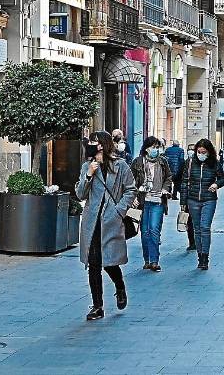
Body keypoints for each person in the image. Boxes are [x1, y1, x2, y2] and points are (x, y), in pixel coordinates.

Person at [76, 131, 137, 321]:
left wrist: (119, 210)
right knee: (93, 263)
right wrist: (88, 174)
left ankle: (119, 286)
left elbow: (131, 189)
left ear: (101, 145)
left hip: (111, 220)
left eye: (93, 142)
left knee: (109, 262)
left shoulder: (120, 166)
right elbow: (80, 194)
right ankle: (97, 306)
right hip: (92, 222)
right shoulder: (88, 165)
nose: (90, 144)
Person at [180, 139, 224, 271]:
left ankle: (205, 257)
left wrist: (216, 184)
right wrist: (183, 202)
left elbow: (223, 178)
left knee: (205, 227)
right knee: (197, 228)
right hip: (193, 199)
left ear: (209, 152)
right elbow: (184, 183)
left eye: (203, 152)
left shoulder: (214, 164)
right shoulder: (190, 163)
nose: (201, 154)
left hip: (209, 199)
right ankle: (200, 256)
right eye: (199, 152)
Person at [130, 137, 173, 272]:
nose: (155, 150)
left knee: (154, 229)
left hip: (158, 200)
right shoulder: (137, 162)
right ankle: (147, 260)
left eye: (157, 147)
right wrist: (133, 197)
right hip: (143, 201)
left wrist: (166, 188)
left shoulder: (163, 161)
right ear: (146, 148)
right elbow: (130, 181)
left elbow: (168, 177)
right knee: (145, 232)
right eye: (153, 147)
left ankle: (155, 261)